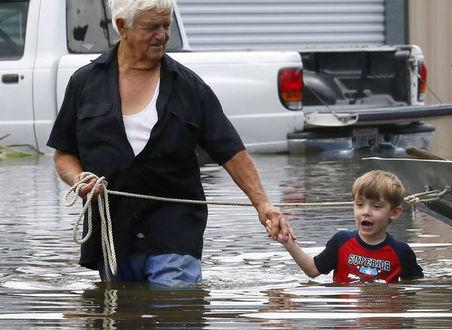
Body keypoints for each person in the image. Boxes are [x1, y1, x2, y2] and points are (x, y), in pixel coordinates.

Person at [47, 0, 294, 287]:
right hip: (112, 231)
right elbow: (63, 155)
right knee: (121, 314)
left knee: (176, 309)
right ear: (121, 27)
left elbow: (231, 153)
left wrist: (264, 205)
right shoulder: (84, 83)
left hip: (174, 231)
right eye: (152, 27)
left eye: (166, 26)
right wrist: (80, 180)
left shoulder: (190, 87)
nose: (163, 35)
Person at [276, 170, 423, 283]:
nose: (366, 212)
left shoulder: (401, 252)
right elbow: (313, 270)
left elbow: (413, 285)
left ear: (395, 212)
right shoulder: (341, 241)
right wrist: (288, 242)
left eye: (376, 206)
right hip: (346, 320)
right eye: (359, 205)